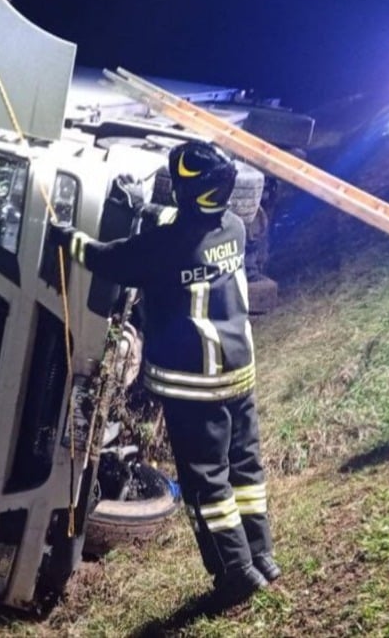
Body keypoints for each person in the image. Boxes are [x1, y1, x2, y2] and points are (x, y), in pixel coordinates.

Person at [48, 140, 278, 607]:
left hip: (195, 388)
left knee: (207, 485)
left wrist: (64, 236)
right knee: (245, 470)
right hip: (239, 373)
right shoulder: (233, 226)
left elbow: (107, 257)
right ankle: (262, 556)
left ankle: (234, 574)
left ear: (186, 194)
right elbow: (177, 229)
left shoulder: (164, 248)